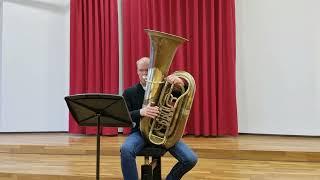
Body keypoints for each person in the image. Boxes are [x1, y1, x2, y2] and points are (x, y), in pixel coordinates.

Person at [120, 57, 198, 180]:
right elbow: (124, 116)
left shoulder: (165, 88)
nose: (144, 73)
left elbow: (184, 90)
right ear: (137, 71)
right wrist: (141, 112)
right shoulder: (129, 92)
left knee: (190, 159)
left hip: (164, 133)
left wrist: (180, 82)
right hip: (139, 133)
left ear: (153, 71)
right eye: (141, 70)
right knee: (126, 150)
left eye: (147, 70)